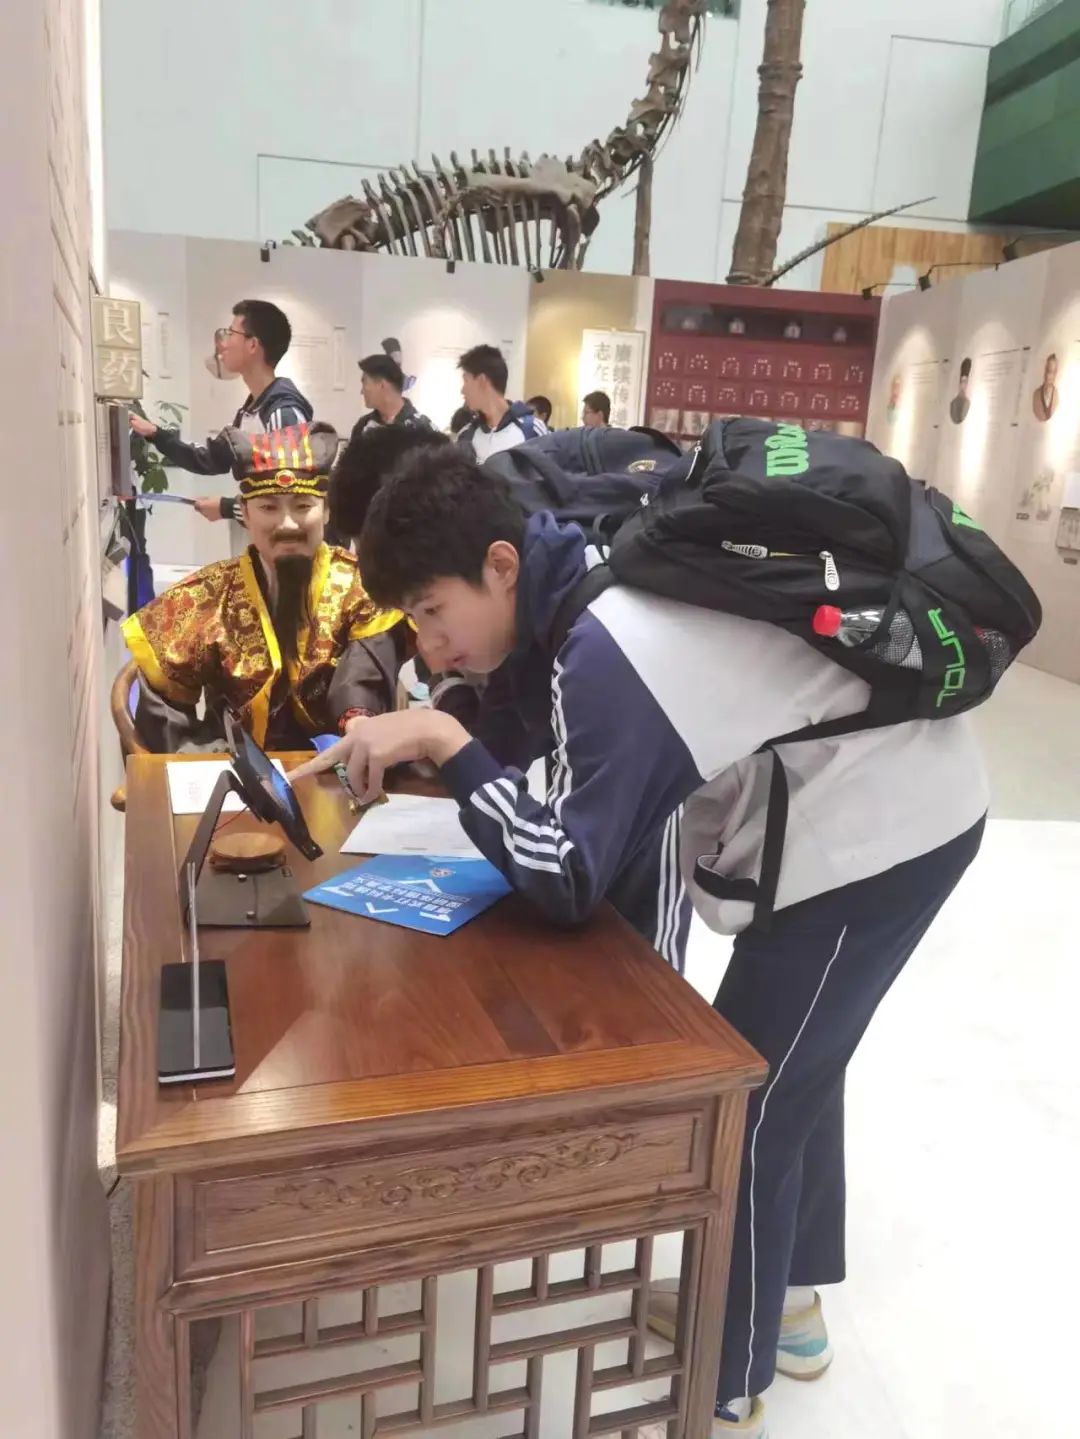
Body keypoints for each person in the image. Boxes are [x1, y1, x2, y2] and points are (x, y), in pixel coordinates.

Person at [294, 445, 988, 1437]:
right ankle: (789, 1309)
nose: (433, 647)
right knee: (796, 1066)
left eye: (435, 613)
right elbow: (533, 724)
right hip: (867, 804)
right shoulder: (572, 579)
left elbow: (569, 877)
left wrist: (446, 743)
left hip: (880, 834)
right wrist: (441, 726)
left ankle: (728, 1383)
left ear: (500, 565)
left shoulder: (611, 643)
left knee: (753, 1100)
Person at [123, 422, 402, 752]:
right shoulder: (209, 595)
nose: (287, 524)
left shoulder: (362, 586)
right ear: (244, 512)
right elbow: (163, 699)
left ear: (326, 510)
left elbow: (364, 672)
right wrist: (204, 759)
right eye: (269, 507)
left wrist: (357, 719)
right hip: (234, 768)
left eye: (303, 506)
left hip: (339, 766)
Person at [129, 299, 311, 523]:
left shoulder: (283, 413)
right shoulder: (250, 411)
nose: (223, 344)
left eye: (231, 333)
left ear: (253, 345)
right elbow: (211, 459)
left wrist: (227, 508)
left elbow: (289, 499)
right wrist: (156, 434)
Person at [457, 345, 546, 461]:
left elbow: (550, 470)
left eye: (466, 381)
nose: (462, 390)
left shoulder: (532, 430)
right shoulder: (466, 436)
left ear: (482, 381)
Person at [349, 354, 434, 443]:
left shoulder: (422, 428)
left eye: (365, 384)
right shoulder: (363, 426)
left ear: (381, 385)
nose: (362, 391)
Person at [1032, 352, 1059, 423]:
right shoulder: (1036, 395)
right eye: (1047, 370)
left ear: (1055, 374)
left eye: (1052, 372)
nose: (1048, 375)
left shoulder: (1057, 396)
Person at [949, 357, 972, 425]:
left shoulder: (966, 402)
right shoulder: (955, 402)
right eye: (962, 381)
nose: (963, 385)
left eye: (965, 381)